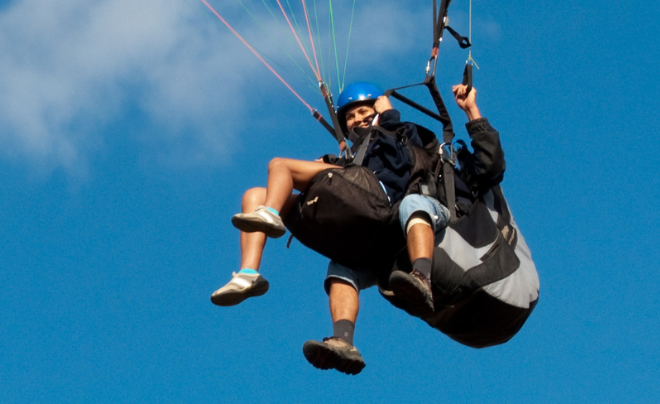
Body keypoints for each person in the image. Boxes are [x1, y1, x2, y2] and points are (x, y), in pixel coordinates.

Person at [211, 80, 492, 374]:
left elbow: (482, 166)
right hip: (374, 229)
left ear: (379, 109)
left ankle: (421, 277)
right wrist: (330, 163)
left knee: (282, 165)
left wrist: (395, 116)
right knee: (258, 200)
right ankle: (252, 275)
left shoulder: (404, 133)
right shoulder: (354, 156)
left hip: (408, 210)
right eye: (350, 116)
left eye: (363, 111)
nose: (357, 119)